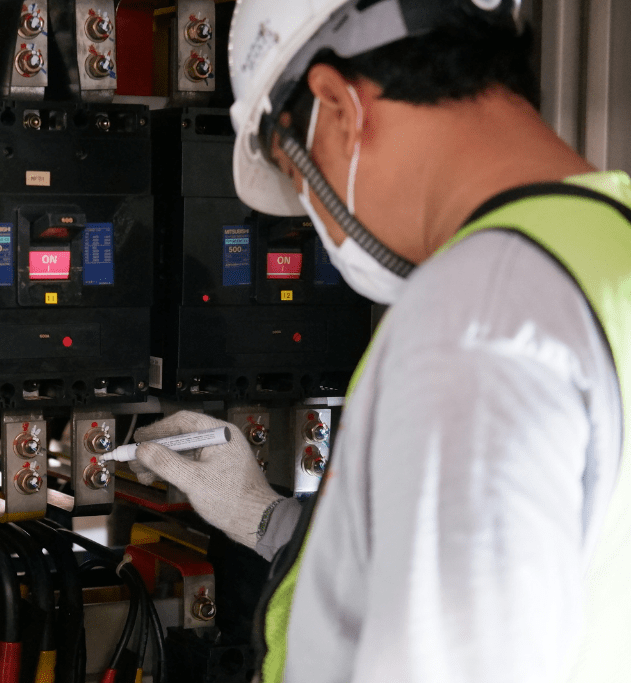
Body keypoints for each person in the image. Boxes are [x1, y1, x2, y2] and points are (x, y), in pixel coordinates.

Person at [130, 1, 631, 681]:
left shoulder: (475, 321)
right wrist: (265, 516)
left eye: (299, 174)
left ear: (338, 105)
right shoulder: (603, 246)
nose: (317, 220)